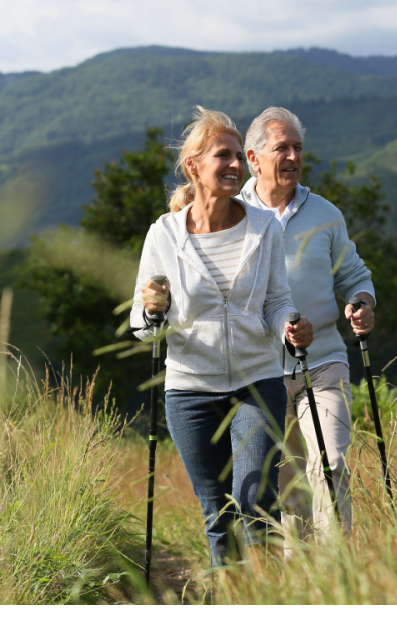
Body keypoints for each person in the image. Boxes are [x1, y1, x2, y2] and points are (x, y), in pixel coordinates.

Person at [132, 106, 313, 568]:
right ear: (194, 166)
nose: (235, 165)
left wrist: (290, 323)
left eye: (238, 156)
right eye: (223, 156)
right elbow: (141, 320)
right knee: (218, 514)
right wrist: (153, 311)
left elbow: (276, 300)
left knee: (254, 501)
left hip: (257, 381)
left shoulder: (263, 227)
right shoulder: (164, 235)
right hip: (190, 390)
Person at [237, 106, 376, 539]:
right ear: (253, 158)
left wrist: (361, 301)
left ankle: (339, 576)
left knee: (330, 466)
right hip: (261, 374)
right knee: (290, 489)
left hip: (322, 363)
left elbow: (354, 275)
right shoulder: (230, 216)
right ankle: (301, 582)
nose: (294, 157)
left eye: (298, 147)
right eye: (283, 148)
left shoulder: (325, 213)